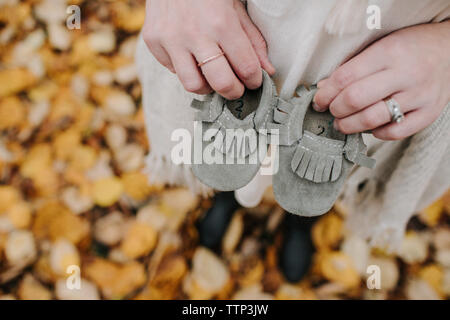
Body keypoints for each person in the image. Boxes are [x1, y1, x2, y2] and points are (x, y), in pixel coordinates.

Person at [136, 0, 450, 268]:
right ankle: (228, 198)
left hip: (386, 67)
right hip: (233, 28)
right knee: (226, 117)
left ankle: (300, 220)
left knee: (335, 159)